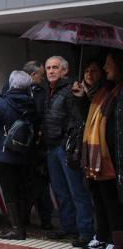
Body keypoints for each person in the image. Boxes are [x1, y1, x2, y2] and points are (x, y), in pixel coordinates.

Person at [42, 56, 94, 247]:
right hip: (51, 147)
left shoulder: (71, 90)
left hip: (66, 147)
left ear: (65, 70)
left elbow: (78, 118)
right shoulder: (49, 91)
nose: (51, 71)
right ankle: (68, 226)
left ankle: (86, 231)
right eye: (48, 68)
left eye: (55, 67)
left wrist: (68, 143)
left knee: (77, 191)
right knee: (61, 191)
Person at [74, 52, 123, 249]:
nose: (105, 69)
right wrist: (81, 99)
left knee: (113, 202)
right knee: (100, 200)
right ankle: (102, 235)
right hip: (96, 159)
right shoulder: (103, 93)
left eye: (108, 65)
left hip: (111, 158)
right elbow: (88, 119)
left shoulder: (116, 93)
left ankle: (115, 240)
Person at [0, 70, 36, 240]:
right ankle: (22, 225)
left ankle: (16, 229)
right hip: (23, 152)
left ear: (11, 83)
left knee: (9, 191)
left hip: (3, 153)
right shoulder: (31, 102)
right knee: (21, 189)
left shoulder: (2, 103)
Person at [20, 60, 54, 230]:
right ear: (33, 75)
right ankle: (23, 218)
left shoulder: (43, 92)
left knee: (41, 186)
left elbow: (46, 114)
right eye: (42, 73)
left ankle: (46, 220)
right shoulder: (16, 90)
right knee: (24, 184)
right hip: (22, 147)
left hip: (39, 146)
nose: (44, 77)